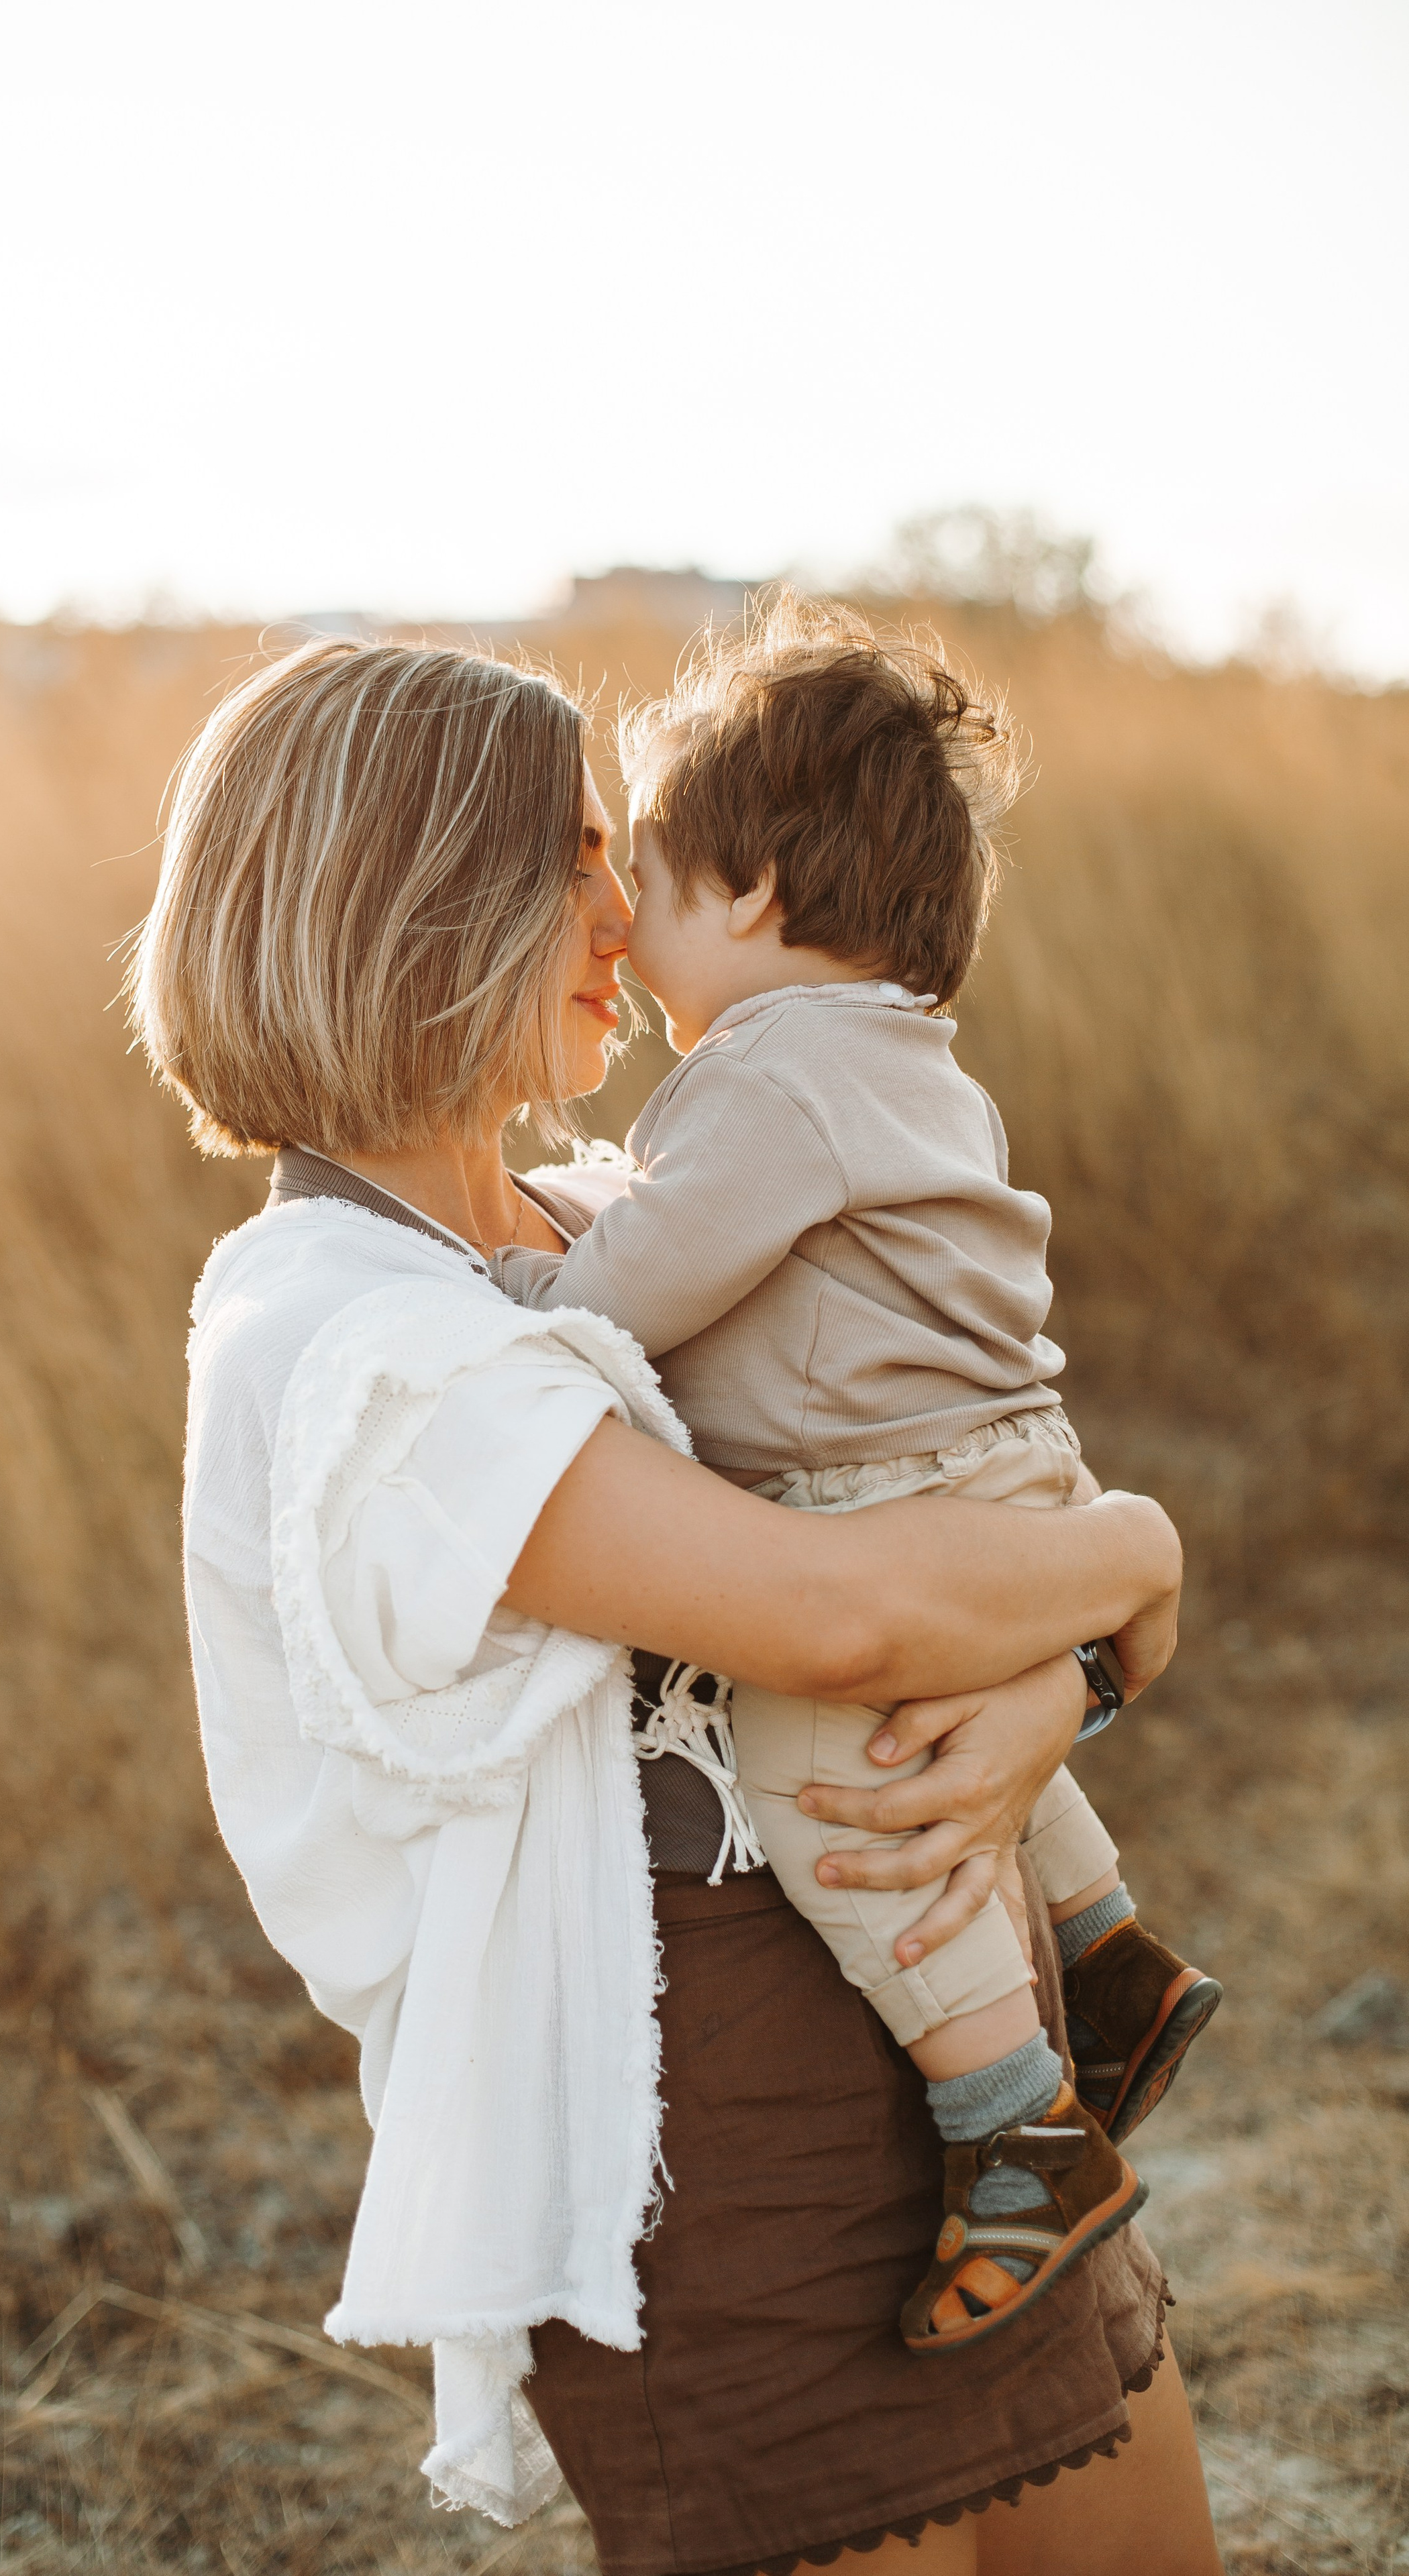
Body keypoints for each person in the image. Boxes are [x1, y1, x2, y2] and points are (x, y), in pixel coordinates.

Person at [127, 633, 1221, 2573]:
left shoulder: (594, 1226)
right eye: (574, 860)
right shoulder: (352, 1338)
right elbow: (844, 1617)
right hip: (707, 2123)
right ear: (418, 900)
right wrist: (1137, 1560)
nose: (624, 912)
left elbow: (932, 1489)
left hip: (955, 2030)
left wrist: (1060, 1676)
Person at [489, 594, 1222, 2353]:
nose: (624, 922)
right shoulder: (898, 1056)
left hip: (891, 1488)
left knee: (850, 1784)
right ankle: (1105, 1950)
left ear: (748, 892)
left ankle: (1018, 2130)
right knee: (967, 1728)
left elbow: (630, 1294)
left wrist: (511, 1287)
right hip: (1008, 1464)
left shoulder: (774, 1077)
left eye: (647, 880)